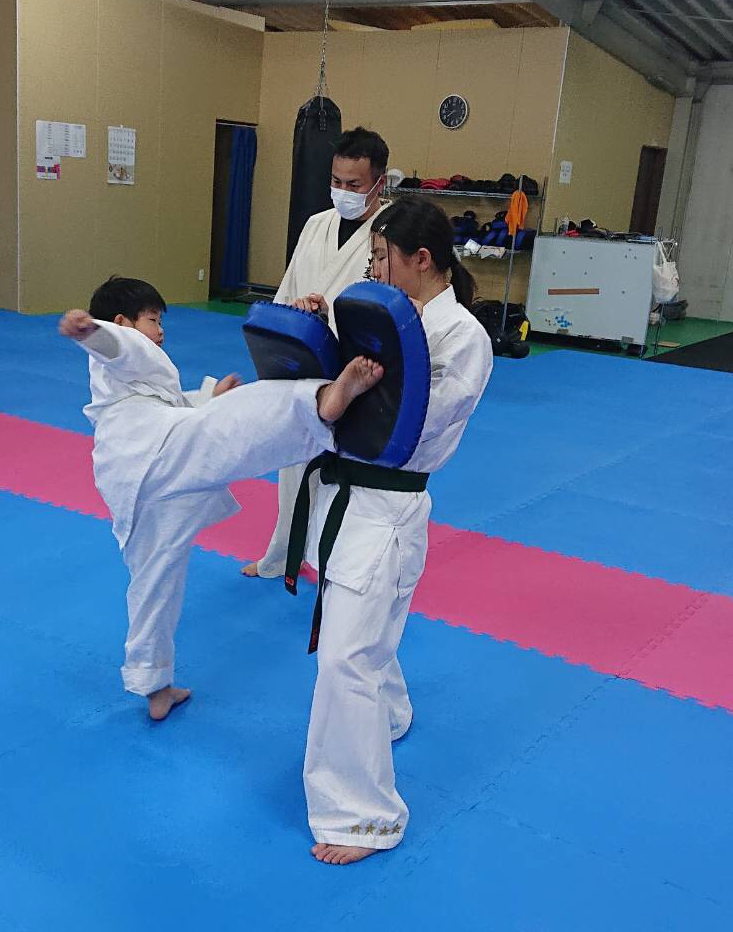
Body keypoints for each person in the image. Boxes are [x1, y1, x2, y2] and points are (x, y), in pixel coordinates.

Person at [60, 276, 383, 721]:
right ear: (123, 321)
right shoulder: (122, 348)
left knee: (154, 583)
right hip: (153, 452)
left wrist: (207, 398)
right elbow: (121, 347)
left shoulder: (131, 380)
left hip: (134, 479)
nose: (160, 331)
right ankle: (317, 402)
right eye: (153, 320)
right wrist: (91, 332)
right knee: (238, 418)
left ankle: (153, 684)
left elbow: (168, 405)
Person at [287, 200, 493, 865]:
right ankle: (391, 714)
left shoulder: (461, 336)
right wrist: (320, 334)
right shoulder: (388, 321)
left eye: (380, 257)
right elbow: (343, 390)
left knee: (346, 657)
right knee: (366, 636)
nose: (373, 268)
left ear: (420, 260)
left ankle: (364, 816)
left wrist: (348, 387)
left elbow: (408, 425)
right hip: (348, 500)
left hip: (386, 508)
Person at [241, 127, 392, 581]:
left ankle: (334, 563)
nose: (343, 192)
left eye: (354, 184)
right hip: (304, 358)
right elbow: (287, 290)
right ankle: (283, 554)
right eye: (336, 181)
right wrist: (294, 316)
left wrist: (332, 315)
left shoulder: (390, 233)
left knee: (341, 471)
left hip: (355, 369)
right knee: (293, 464)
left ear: (379, 183)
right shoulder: (316, 224)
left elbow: (389, 307)